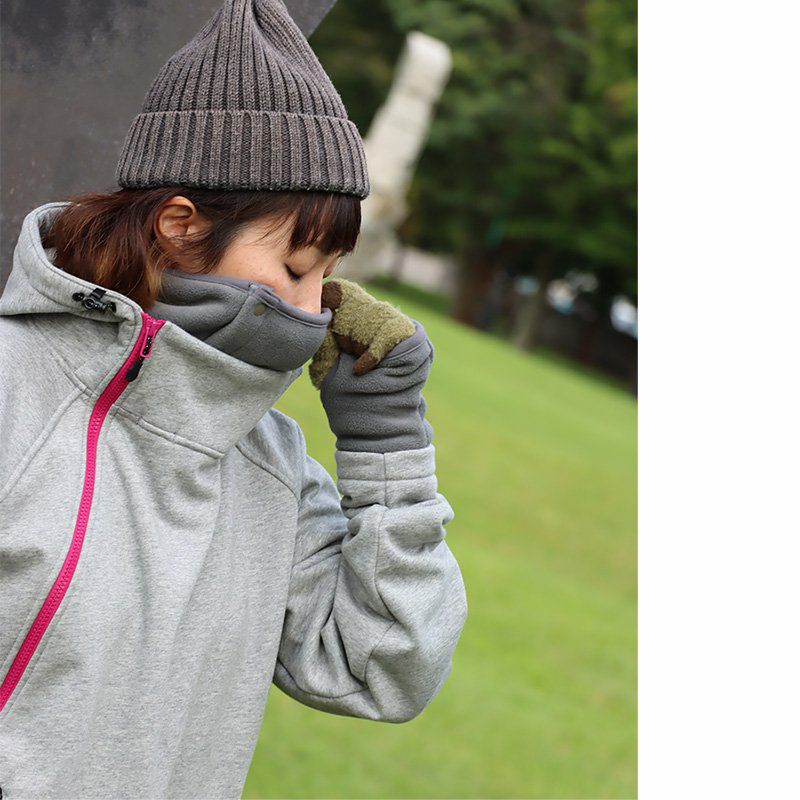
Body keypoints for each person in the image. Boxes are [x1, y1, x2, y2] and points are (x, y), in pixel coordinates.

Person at [0, 1, 468, 797]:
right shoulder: (17, 386)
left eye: (328, 276)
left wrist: (387, 444)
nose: (317, 310)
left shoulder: (273, 465)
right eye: (295, 269)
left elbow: (388, 665)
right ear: (180, 226)